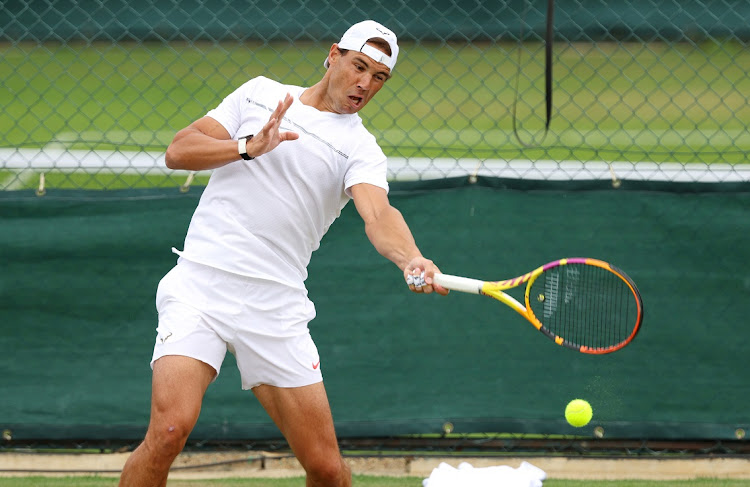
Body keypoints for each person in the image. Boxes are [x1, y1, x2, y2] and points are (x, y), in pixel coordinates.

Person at [118, 19, 448, 487]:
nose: (365, 84)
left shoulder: (360, 148)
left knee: (327, 470)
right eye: (359, 66)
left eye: (378, 77)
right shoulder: (258, 94)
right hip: (199, 287)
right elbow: (179, 150)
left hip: (275, 306)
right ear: (332, 54)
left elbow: (378, 214)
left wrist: (411, 257)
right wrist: (247, 147)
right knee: (169, 431)